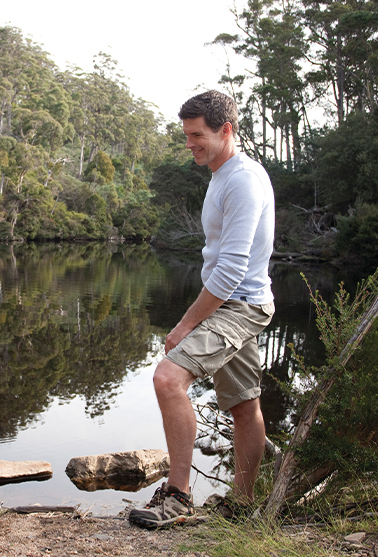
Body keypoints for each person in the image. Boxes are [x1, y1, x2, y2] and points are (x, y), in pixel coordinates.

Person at [129, 90, 275, 529]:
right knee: (245, 405)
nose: (189, 143)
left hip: (239, 304)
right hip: (234, 301)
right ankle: (244, 503)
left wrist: (184, 325)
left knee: (168, 378)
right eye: (186, 135)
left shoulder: (243, 180)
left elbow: (231, 271)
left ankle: (178, 495)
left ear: (225, 130)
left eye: (197, 135)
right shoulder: (221, 174)